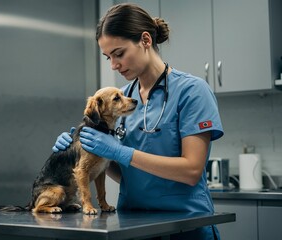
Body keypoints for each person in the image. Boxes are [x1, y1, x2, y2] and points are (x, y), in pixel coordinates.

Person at [52, 3, 224, 240]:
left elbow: (192, 171)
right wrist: (86, 152)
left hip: (184, 225)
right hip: (133, 225)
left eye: (119, 53)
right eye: (108, 57)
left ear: (145, 40)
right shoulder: (120, 99)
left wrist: (121, 152)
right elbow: (130, 175)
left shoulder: (192, 91)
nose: (114, 64)